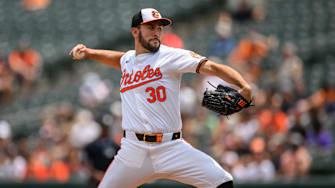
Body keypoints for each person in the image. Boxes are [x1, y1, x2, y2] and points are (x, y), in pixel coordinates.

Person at [69, 8, 252, 188]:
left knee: (222, 181)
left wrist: (243, 85)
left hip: (171, 147)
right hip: (133, 151)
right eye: (150, 27)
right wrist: (90, 52)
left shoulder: (170, 55)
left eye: (159, 28)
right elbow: (118, 59)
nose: (156, 32)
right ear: (135, 31)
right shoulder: (128, 60)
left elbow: (211, 67)